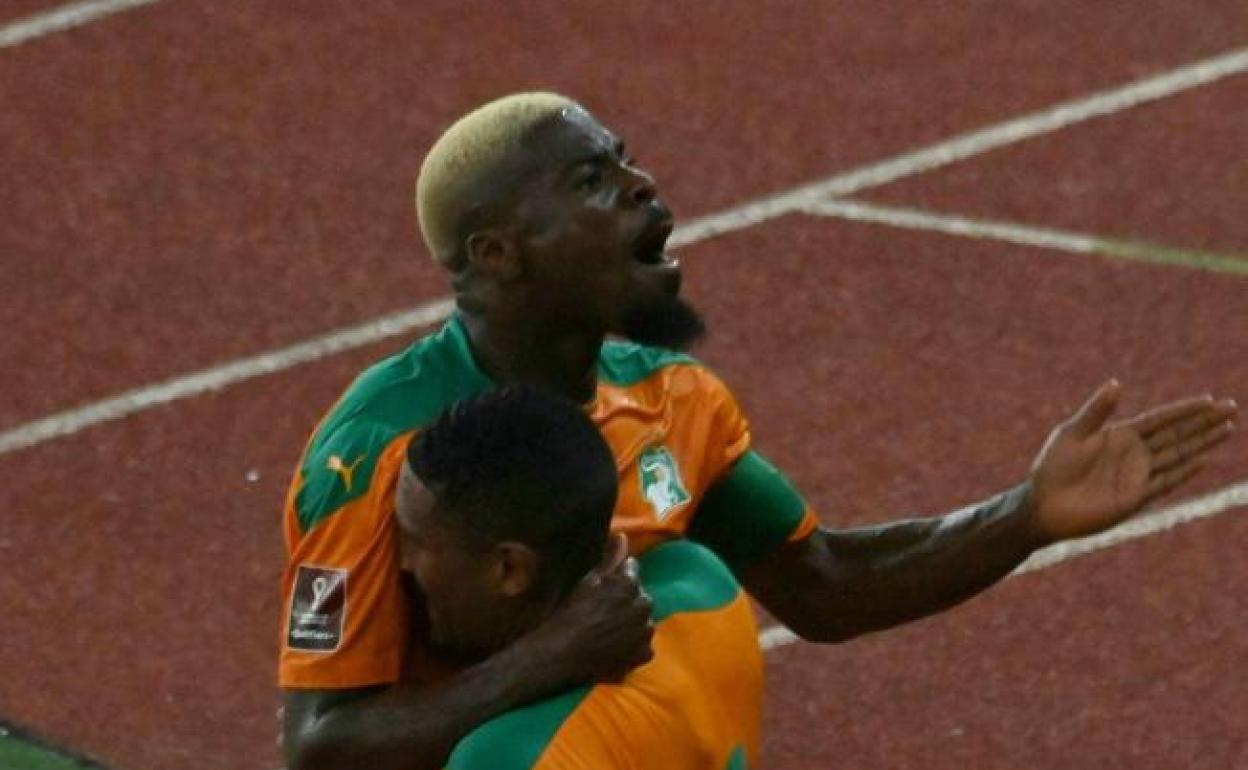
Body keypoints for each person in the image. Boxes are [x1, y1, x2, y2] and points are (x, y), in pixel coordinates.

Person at [279, 92, 1238, 770]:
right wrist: (552, 658)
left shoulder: (675, 401)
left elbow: (825, 586)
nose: (642, 186)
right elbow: (322, 745)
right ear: (498, 252)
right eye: (592, 180)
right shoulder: (370, 456)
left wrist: (1023, 516)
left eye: (626, 161)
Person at [395, 385, 762, 769]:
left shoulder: (507, 756)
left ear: (510, 569)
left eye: (415, 542)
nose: (402, 563)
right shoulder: (701, 580)